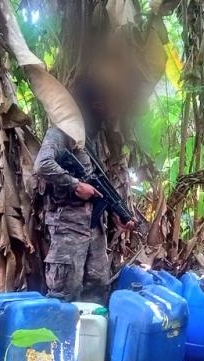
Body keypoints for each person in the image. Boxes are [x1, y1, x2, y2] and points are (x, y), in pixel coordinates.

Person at [35, 79, 132, 303]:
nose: (108, 112)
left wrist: (116, 213)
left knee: (96, 290)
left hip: (94, 230)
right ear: (94, 105)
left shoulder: (90, 139)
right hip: (67, 227)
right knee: (64, 294)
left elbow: (97, 184)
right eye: (104, 105)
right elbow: (42, 164)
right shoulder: (61, 133)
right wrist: (75, 184)